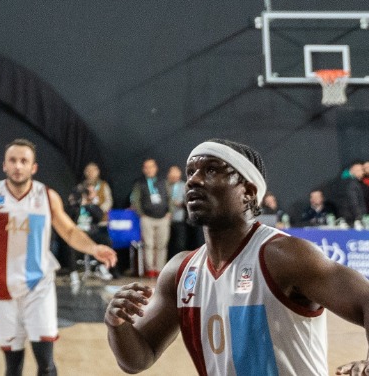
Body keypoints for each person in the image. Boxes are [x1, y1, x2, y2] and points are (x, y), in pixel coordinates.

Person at [105, 140, 369, 376]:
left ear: (249, 192)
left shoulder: (284, 256)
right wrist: (116, 324)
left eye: (211, 170)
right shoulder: (181, 271)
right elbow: (137, 360)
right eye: (191, 173)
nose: (194, 181)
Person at [0, 139, 118, 376]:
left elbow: (69, 231)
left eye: (24, 161)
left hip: (38, 286)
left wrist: (94, 249)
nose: (18, 166)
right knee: (13, 366)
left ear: (33, 167)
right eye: (13, 160)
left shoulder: (46, 197)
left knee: (46, 363)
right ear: (4, 166)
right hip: (2, 288)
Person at [130, 158, 172, 276]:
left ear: (155, 168)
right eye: (146, 167)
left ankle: (160, 269)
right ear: (143, 169)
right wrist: (141, 213)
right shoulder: (140, 183)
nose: (149, 169)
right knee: (148, 244)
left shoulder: (163, 181)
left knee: (162, 245)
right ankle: (150, 269)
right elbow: (135, 199)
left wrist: (170, 212)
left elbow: (169, 198)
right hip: (147, 217)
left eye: (151, 167)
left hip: (163, 217)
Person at [165, 164, 188, 258]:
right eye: (172, 173)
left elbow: (189, 201)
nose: (174, 176)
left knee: (180, 244)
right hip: (166, 219)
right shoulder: (165, 185)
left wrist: (182, 203)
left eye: (176, 173)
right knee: (166, 243)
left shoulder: (184, 186)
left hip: (179, 219)